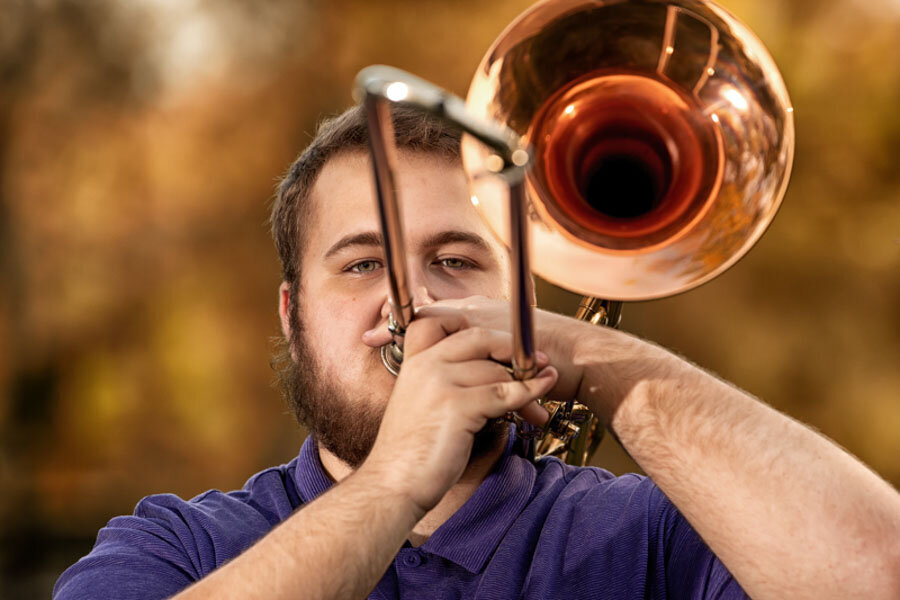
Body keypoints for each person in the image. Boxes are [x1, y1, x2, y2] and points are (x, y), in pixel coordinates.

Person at [54, 105, 900, 600]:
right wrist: (394, 482)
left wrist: (594, 361)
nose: (412, 301)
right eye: (361, 264)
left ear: (524, 305)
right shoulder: (177, 545)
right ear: (291, 314)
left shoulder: (654, 536)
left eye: (456, 260)